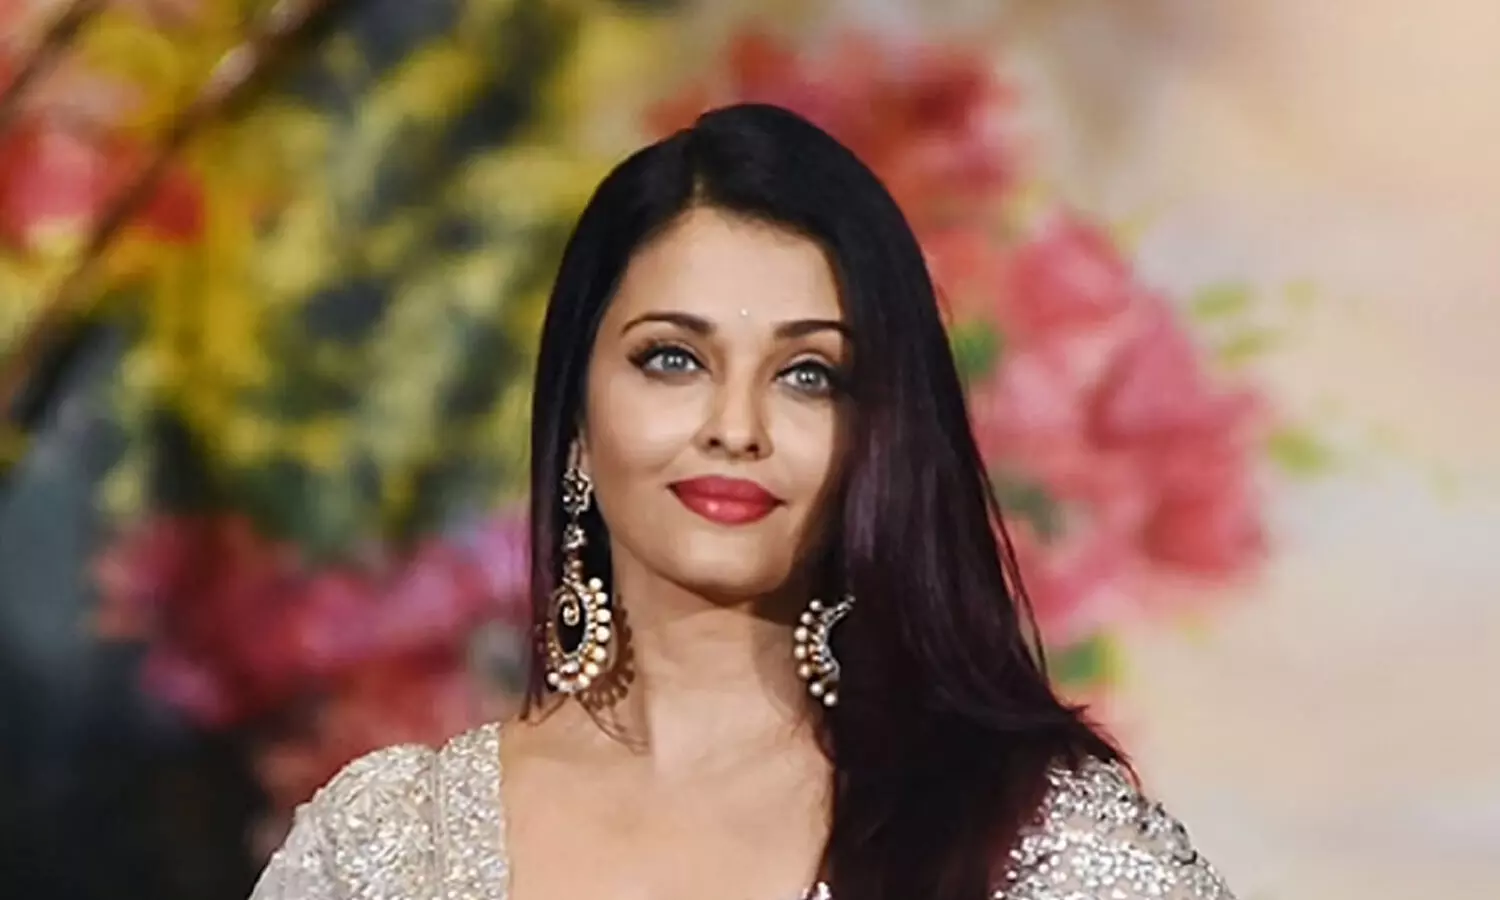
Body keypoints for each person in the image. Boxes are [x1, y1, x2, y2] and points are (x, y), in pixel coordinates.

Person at [248, 103, 1234, 900]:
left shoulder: (1022, 841)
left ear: (876, 438)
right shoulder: (384, 847)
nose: (736, 425)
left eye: (809, 375)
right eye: (672, 359)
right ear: (578, 416)